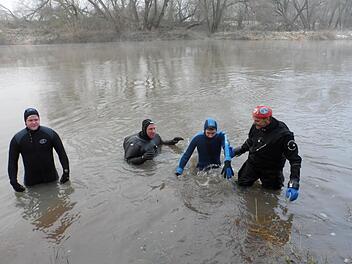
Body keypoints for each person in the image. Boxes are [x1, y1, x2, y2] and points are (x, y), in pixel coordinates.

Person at [232, 105, 302, 201]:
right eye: (254, 120)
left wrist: (294, 183)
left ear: (267, 119)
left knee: (271, 196)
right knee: (240, 187)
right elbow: (251, 141)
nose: (254, 123)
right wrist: (238, 151)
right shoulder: (256, 125)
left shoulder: (284, 135)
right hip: (253, 164)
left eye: (257, 121)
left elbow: (295, 160)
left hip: (272, 170)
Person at [8, 108, 70, 192]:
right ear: (25, 122)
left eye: (36, 119)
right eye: (30, 120)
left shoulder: (50, 134)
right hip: (31, 183)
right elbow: (12, 162)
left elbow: (62, 154)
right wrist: (13, 182)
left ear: (39, 119)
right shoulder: (18, 139)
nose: (34, 122)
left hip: (52, 179)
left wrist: (66, 172)